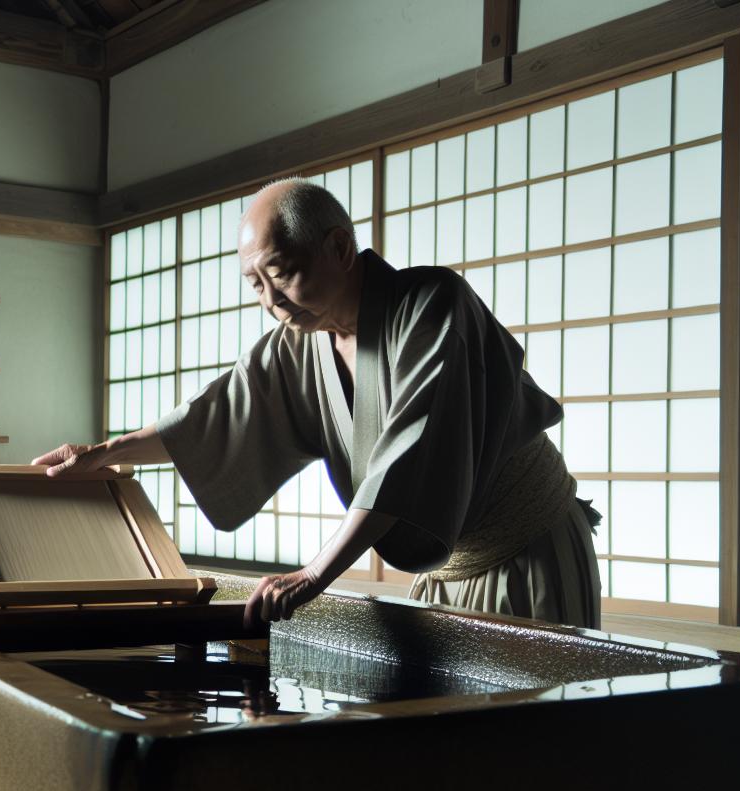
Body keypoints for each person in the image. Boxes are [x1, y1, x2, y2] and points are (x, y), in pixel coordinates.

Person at [35, 178, 601, 629]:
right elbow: (217, 417)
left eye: (281, 273)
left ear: (338, 247)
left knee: (538, 742)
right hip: (452, 565)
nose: (272, 302)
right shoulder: (299, 346)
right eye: (256, 285)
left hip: (528, 545)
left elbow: (408, 454)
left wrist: (315, 573)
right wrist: (104, 453)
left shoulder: (432, 304)